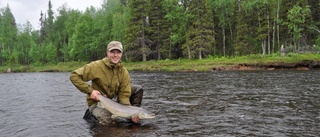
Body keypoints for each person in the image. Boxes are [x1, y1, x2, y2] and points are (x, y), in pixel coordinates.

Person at [69, 41, 143, 124]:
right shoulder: (96, 66)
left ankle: (134, 114)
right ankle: (91, 113)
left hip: (112, 101)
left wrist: (130, 113)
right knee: (109, 121)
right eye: (112, 52)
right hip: (97, 102)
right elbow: (74, 76)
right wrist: (90, 91)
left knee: (138, 89)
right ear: (107, 53)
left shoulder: (124, 72)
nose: (115, 55)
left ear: (121, 54)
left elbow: (124, 95)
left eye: (118, 52)